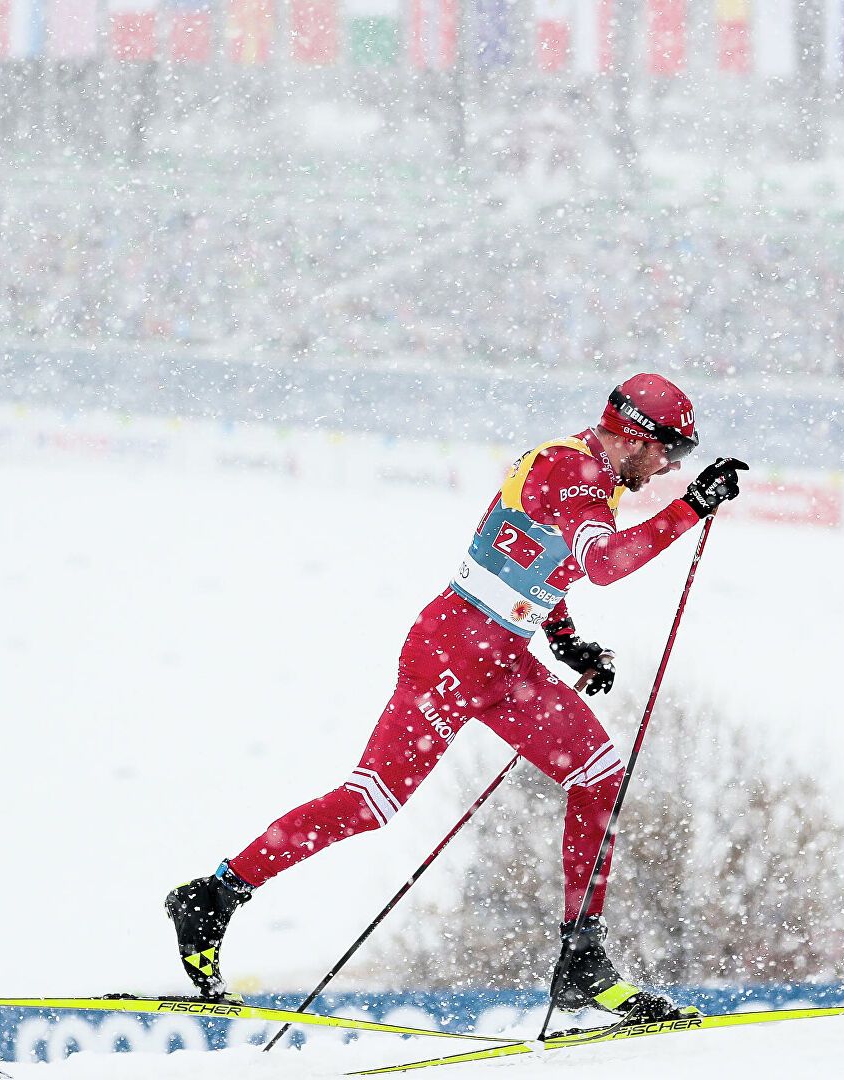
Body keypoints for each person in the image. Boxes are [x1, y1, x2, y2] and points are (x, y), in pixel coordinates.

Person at [165, 373, 747, 1021]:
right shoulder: (574, 471)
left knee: (599, 774)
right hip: (452, 652)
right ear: (637, 435)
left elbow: (533, 555)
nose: (670, 466)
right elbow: (604, 565)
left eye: (683, 458)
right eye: (670, 450)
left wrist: (563, 639)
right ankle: (213, 895)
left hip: (498, 660)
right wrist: (691, 506)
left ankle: (581, 956)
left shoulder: (585, 474)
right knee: (369, 804)